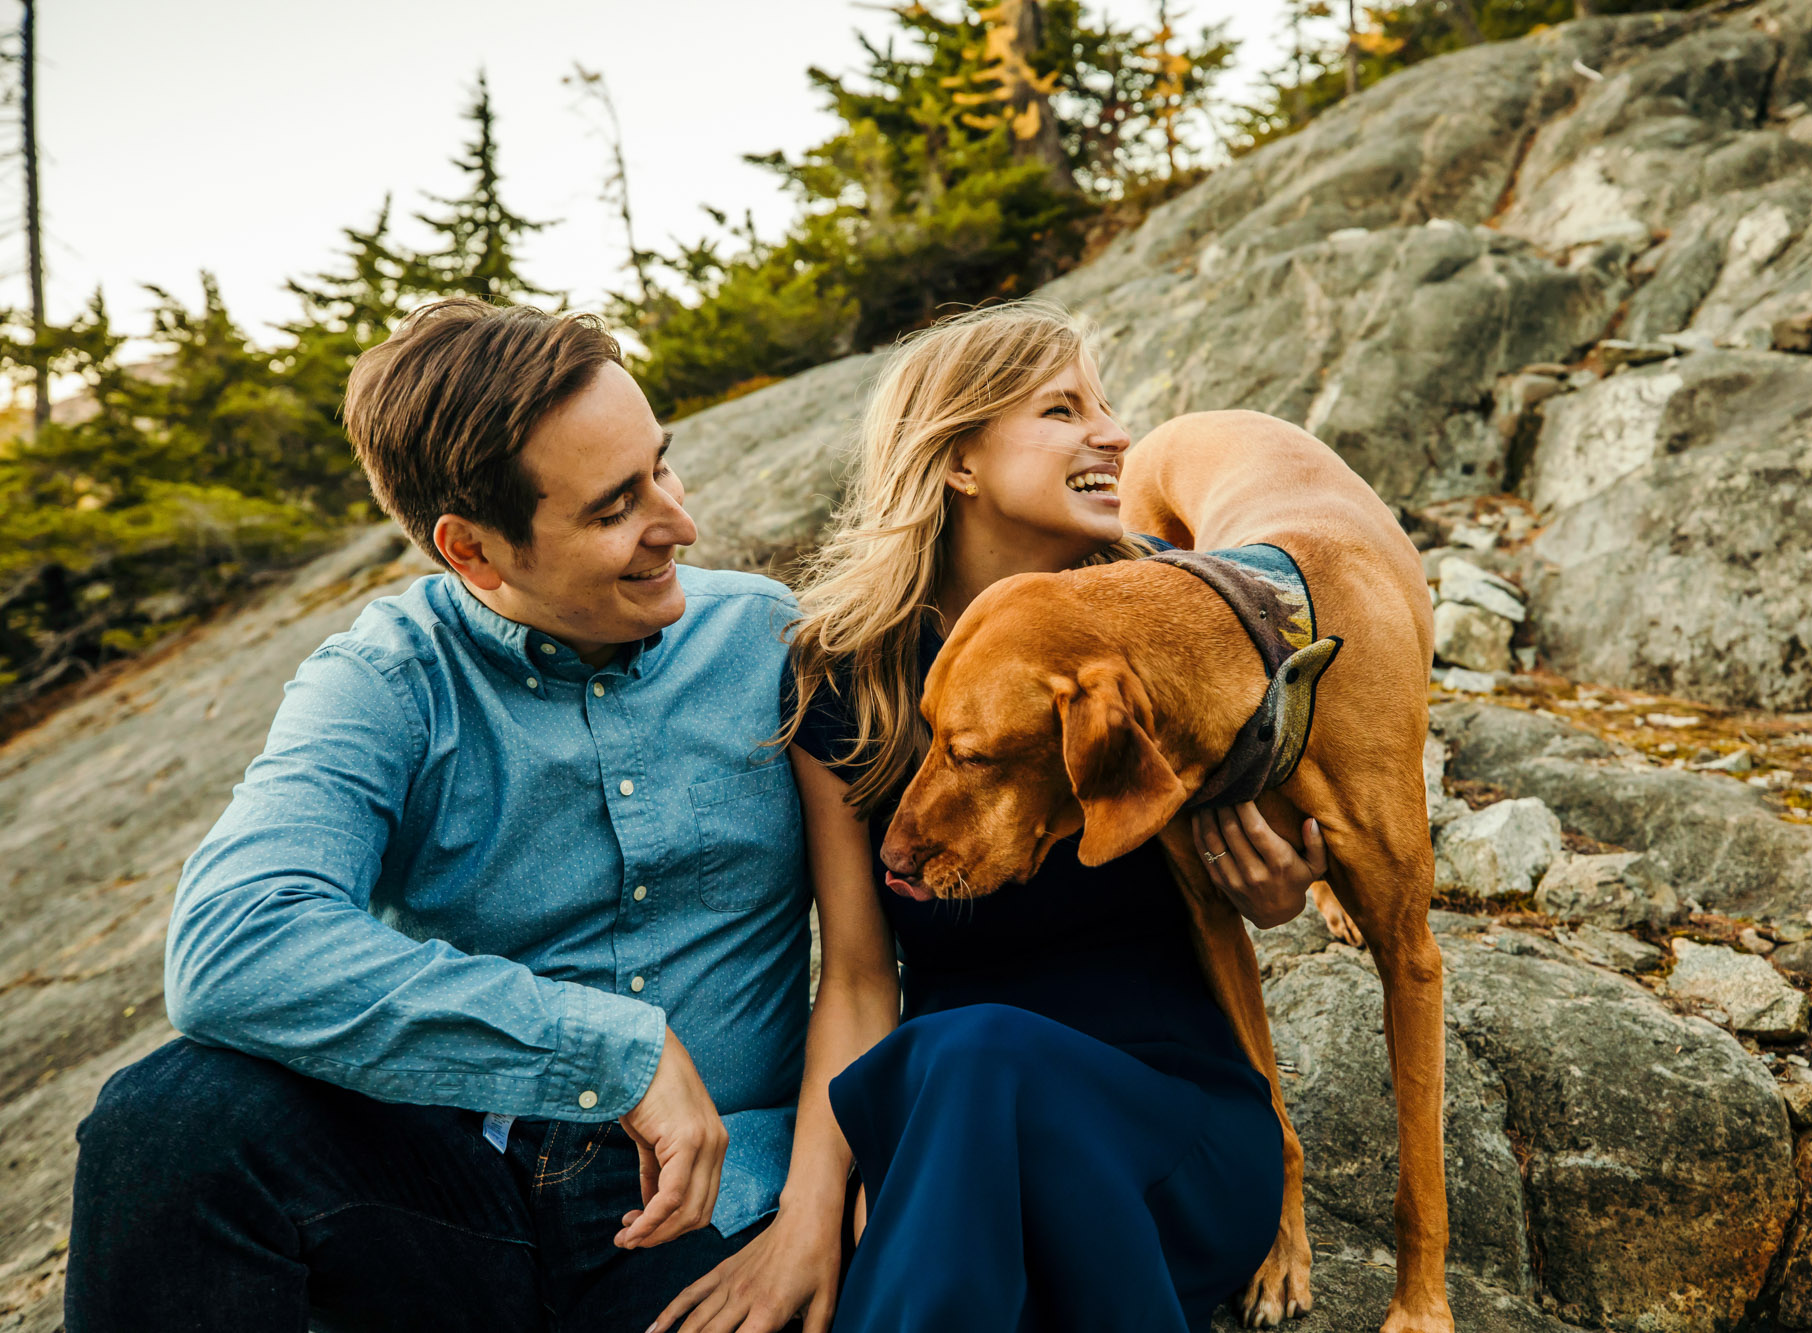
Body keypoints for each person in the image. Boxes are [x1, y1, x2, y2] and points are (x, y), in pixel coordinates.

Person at [65, 299, 823, 1332]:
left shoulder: (769, 641)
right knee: (172, 1118)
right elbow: (232, 938)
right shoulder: (385, 679)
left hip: (720, 1208)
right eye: (613, 510)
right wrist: (607, 1048)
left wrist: (816, 1209)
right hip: (463, 1194)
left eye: (663, 465)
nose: (678, 523)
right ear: (471, 551)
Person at [658, 300, 1325, 1333]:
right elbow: (859, 978)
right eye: (1063, 409)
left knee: (973, 1052)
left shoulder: (1164, 616)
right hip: (955, 1138)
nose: (1114, 434)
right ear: (958, 460)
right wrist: (805, 1215)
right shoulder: (846, 676)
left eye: (1107, 406)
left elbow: (1286, 840)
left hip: (1168, 1128)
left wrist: (1280, 887)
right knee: (960, 1060)